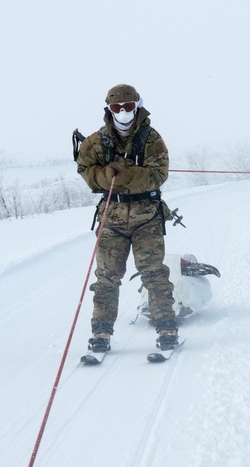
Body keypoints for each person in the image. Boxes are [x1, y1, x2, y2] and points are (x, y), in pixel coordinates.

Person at [76, 84, 179, 354]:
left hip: (147, 218)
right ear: (109, 110)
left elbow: (158, 174)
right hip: (112, 220)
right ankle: (100, 333)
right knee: (106, 279)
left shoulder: (151, 139)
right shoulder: (96, 142)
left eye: (128, 107)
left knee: (154, 274)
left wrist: (126, 175)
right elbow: (85, 170)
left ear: (137, 106)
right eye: (117, 108)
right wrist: (105, 175)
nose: (123, 113)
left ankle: (167, 327)